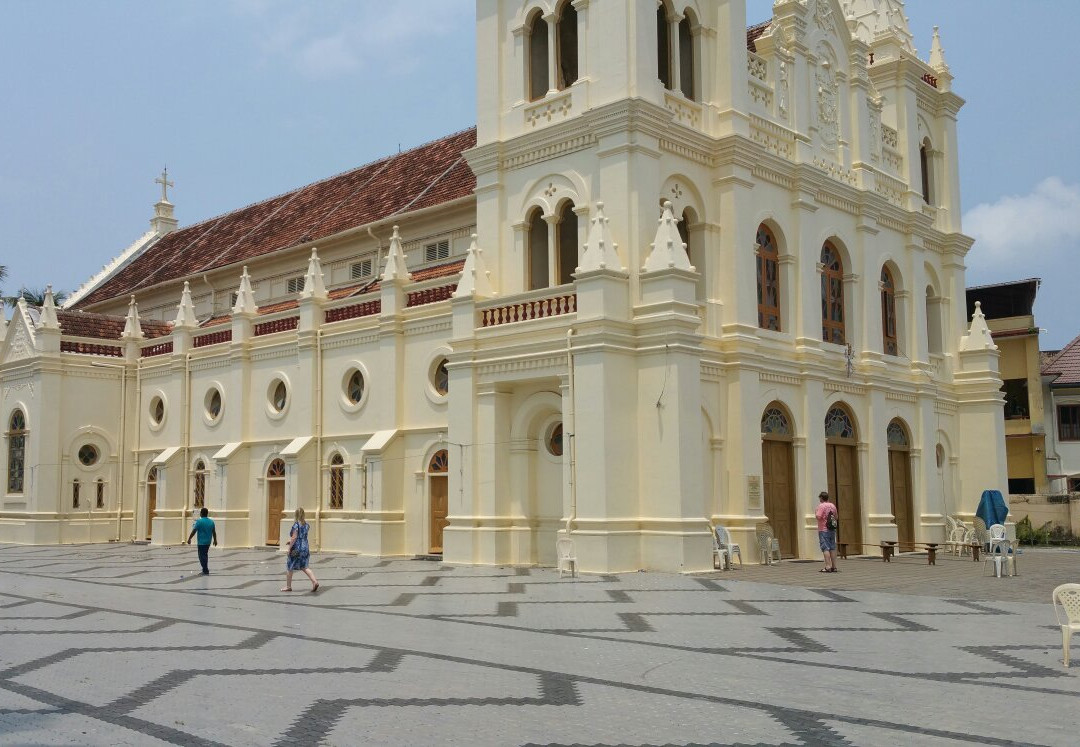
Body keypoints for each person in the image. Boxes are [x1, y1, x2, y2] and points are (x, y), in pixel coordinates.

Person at [282, 507, 319, 593]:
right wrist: (290, 541)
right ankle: (315, 581)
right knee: (304, 566)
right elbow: (301, 536)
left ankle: (288, 586)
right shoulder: (306, 525)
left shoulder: (296, 525)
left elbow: (294, 537)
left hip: (297, 549)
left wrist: (289, 548)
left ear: (296, 515)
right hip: (305, 547)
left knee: (289, 565)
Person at [185, 507, 217, 575]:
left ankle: (205, 570)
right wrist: (215, 540)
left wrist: (189, 538)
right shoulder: (211, 522)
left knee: (201, 556)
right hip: (208, 542)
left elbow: (194, 531)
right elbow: (213, 532)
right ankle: (205, 569)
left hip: (201, 542)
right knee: (204, 555)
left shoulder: (199, 521)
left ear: (201, 513)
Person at [815, 491, 839, 573]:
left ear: (821, 498)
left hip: (823, 529)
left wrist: (816, 512)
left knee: (825, 548)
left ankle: (828, 566)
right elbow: (836, 517)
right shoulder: (832, 505)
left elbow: (818, 516)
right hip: (832, 529)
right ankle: (834, 566)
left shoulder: (821, 506)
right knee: (832, 548)